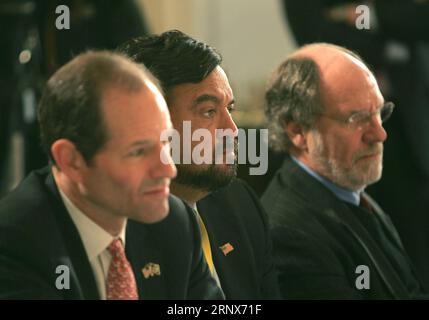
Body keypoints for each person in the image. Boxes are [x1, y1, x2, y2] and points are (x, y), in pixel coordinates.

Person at [0, 51, 223, 300]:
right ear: (71, 160)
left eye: (166, 143)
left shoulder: (174, 223)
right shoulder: (13, 246)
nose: (168, 169)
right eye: (138, 152)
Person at [117, 30, 280, 299]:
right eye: (209, 111)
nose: (232, 129)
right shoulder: (116, 228)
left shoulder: (240, 205)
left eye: (231, 108)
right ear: (153, 122)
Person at [262, 43, 427, 299]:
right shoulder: (291, 236)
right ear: (297, 131)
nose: (380, 134)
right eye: (358, 119)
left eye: (380, 113)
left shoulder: (348, 190)